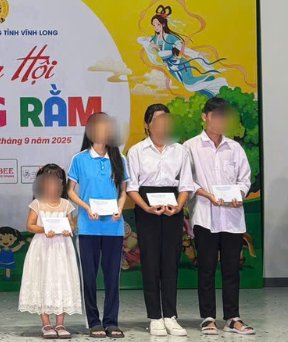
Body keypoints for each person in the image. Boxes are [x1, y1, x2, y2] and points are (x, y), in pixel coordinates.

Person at [183, 97, 254, 335]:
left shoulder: (235, 148)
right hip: (205, 216)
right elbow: (187, 181)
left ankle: (233, 317)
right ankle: (208, 317)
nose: (220, 121)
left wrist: (240, 194)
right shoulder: (190, 147)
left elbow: (245, 179)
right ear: (205, 117)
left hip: (232, 219)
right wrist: (207, 194)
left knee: (232, 268)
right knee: (206, 268)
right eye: (216, 116)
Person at [126, 105, 194, 336]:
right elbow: (132, 187)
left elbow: (186, 185)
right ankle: (155, 316)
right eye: (158, 120)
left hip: (173, 208)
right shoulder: (136, 151)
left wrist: (179, 206)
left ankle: (171, 316)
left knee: (170, 261)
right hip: (147, 208)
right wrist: (145, 206)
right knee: (151, 262)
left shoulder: (180, 150)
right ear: (147, 124)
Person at [67, 112, 128, 338]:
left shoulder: (119, 159)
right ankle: (94, 321)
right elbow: (70, 191)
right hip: (88, 226)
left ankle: (111, 321)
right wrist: (86, 207)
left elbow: (123, 192)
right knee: (89, 276)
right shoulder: (79, 159)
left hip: (113, 227)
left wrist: (120, 208)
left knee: (113, 277)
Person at [18, 164, 81, 339]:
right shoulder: (37, 203)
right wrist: (44, 229)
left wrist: (70, 229)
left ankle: (60, 323)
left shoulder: (66, 204)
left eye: (57, 183)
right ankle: (46, 324)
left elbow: (72, 225)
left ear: (62, 186)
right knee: (42, 280)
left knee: (62, 280)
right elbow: (29, 225)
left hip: (62, 249)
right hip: (42, 248)